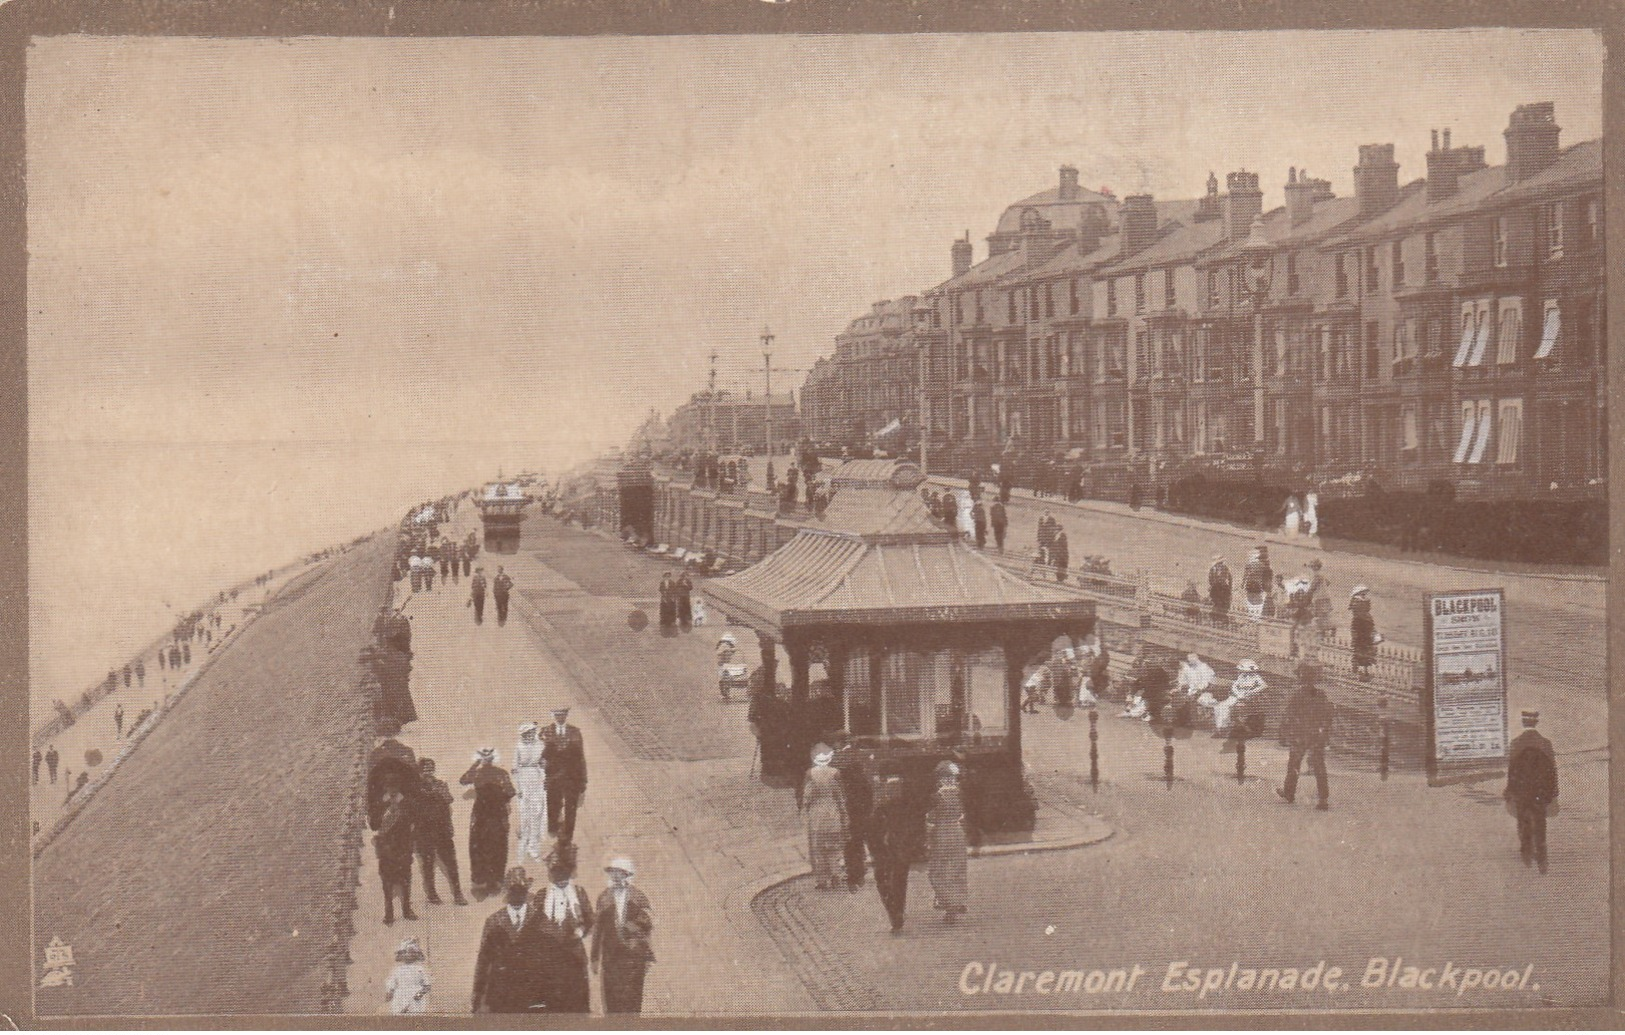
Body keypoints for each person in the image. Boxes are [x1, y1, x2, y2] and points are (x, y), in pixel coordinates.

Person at [472, 867, 550, 1014]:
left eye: (520, 891)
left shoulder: (540, 920)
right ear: (507, 892)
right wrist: (478, 999)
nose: (517, 896)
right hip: (503, 992)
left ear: (527, 892)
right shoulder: (494, 921)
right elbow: (484, 961)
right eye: (513, 891)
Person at [592, 856, 655, 1014]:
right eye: (613, 873)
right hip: (611, 956)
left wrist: (633, 927)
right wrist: (594, 957)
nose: (616, 876)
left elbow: (649, 924)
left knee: (632, 999)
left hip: (633, 957)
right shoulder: (604, 898)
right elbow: (598, 930)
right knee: (612, 1000)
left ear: (627, 874)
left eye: (620, 873)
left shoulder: (638, 897)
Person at [536, 845, 594, 1014]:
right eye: (557, 879)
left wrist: (581, 931)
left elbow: (590, 918)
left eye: (565, 879)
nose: (561, 883)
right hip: (550, 955)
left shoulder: (579, 893)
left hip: (574, 953)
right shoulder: (542, 897)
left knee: (576, 996)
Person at [1504, 710, 1558, 873]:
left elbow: (1512, 771)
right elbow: (1552, 770)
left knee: (1523, 821)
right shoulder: (1545, 743)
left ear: (1523, 722)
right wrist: (1554, 792)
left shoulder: (1515, 743)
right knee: (1540, 823)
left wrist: (1509, 791)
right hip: (1540, 793)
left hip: (1521, 792)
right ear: (1536, 723)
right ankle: (1542, 858)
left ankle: (1526, 853)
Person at [1277, 664, 1335, 809]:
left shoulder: (1298, 695)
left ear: (1301, 679)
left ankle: (1289, 792)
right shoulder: (1321, 695)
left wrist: (1283, 733)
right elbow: (1329, 715)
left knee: (1294, 764)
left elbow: (1288, 716)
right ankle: (1323, 799)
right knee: (1319, 766)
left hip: (1300, 735)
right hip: (1316, 735)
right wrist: (1324, 731)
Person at [462, 748, 517, 899]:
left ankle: (485, 881)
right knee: (495, 847)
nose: (486, 761)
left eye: (486, 758)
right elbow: (511, 792)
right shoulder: (499, 773)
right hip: (492, 814)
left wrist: (475, 765)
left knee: (482, 846)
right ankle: (492, 881)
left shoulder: (482, 773)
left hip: (486, 814)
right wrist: (502, 798)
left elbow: (464, 780)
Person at [867, 774, 919, 934]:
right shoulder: (908, 807)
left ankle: (895, 913)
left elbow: (872, 831)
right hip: (900, 851)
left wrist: (874, 850)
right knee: (899, 881)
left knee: (885, 881)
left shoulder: (881, 808)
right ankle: (898, 911)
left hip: (887, 852)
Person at [414, 758, 468, 906]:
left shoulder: (440, 784)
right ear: (420, 771)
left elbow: (449, 800)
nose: (428, 772)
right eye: (425, 769)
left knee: (451, 863)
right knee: (428, 864)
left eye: (431, 769)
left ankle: (457, 894)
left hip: (442, 830)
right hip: (424, 832)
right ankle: (431, 894)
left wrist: (437, 792)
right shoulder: (414, 788)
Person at [800, 743, 849, 890]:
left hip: (817, 817)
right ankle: (836, 875)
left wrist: (804, 810)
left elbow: (807, 797)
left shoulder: (810, 774)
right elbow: (841, 797)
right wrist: (844, 815)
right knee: (834, 849)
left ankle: (821, 880)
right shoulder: (836, 773)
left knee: (818, 850)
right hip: (833, 815)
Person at [925, 760, 969, 923]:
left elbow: (930, 821)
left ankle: (948, 903)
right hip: (957, 833)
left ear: (940, 779)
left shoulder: (936, 797)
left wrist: (927, 840)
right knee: (957, 868)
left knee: (938, 870)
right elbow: (964, 817)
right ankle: (958, 901)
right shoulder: (961, 795)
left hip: (941, 834)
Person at [830, 741, 874, 890]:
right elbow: (869, 800)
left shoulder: (846, 786)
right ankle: (859, 871)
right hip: (861, 818)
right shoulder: (863, 783)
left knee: (850, 846)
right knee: (858, 844)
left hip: (849, 819)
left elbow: (841, 802)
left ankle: (853, 873)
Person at [374, 788, 418, 925]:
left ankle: (406, 910)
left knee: (405, 883)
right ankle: (389, 913)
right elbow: (377, 833)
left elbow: (410, 835)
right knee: (387, 885)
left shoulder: (405, 815)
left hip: (401, 853)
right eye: (390, 801)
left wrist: (409, 852)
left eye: (395, 800)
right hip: (387, 856)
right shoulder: (382, 816)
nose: (393, 803)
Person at [543, 707, 587, 844]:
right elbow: (542, 755)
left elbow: (581, 756)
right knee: (553, 803)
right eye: (557, 715)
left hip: (571, 775)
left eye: (562, 715)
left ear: (566, 716)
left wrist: (583, 779)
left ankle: (568, 834)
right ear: (553, 716)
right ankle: (553, 828)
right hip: (553, 775)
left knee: (571, 807)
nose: (560, 718)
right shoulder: (546, 731)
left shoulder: (575, 732)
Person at [1201, 659, 1267, 737]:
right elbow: (1235, 686)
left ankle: (1223, 728)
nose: (1241, 671)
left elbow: (1264, 686)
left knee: (1225, 707)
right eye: (1241, 670)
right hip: (1237, 695)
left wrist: (1251, 692)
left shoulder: (1256, 677)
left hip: (1248, 697)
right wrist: (1237, 693)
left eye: (1243, 670)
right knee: (1220, 707)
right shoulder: (1241, 676)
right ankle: (1221, 728)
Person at [513, 723, 548, 862]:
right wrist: (518, 788)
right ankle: (524, 836)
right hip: (523, 779)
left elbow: (544, 763)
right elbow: (514, 768)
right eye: (527, 733)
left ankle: (533, 847)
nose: (530, 735)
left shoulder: (540, 745)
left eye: (532, 732)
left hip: (537, 778)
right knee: (525, 813)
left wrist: (545, 778)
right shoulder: (518, 746)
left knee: (538, 812)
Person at [386, 937, 432, 1015]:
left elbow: (427, 985)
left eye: (411, 952)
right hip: (400, 996)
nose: (407, 955)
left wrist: (419, 994)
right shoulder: (398, 969)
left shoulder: (419, 969)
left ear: (416, 954)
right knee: (399, 1015)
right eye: (404, 953)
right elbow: (392, 982)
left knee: (414, 1015)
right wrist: (390, 992)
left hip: (414, 997)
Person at [1173, 653, 1216, 727]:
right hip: (1191, 689)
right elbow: (1183, 681)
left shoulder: (1203, 668)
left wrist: (1196, 690)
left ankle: (1187, 721)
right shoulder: (1188, 668)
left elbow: (1207, 683)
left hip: (1204, 690)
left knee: (1188, 700)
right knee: (1180, 697)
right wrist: (1179, 688)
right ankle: (1181, 720)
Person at [1349, 586, 1378, 679]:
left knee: (1360, 651)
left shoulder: (1357, 602)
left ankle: (1360, 671)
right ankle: (1361, 671)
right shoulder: (1361, 603)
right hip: (1363, 632)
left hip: (1362, 632)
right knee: (1362, 652)